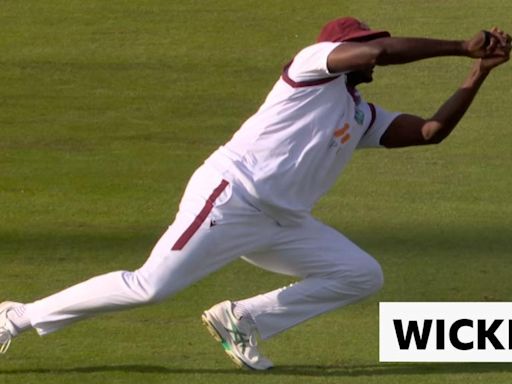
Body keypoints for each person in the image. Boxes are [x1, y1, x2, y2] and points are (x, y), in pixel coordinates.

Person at [1, 17, 510, 370]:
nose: (371, 56)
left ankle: (243, 319)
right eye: (362, 46)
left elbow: (429, 132)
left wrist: (477, 72)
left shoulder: (360, 113)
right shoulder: (309, 69)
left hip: (283, 221)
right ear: (342, 49)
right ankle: (16, 317)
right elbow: (378, 50)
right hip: (231, 197)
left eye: (367, 46)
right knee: (149, 287)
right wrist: (458, 46)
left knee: (360, 274)